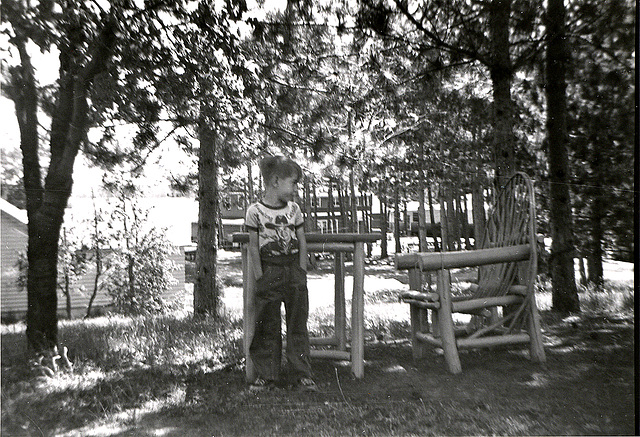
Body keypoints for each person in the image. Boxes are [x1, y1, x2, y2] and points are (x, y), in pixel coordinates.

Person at [244, 156, 317, 392]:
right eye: (293, 183)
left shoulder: (294, 210)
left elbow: (302, 241)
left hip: (293, 271)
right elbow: (254, 247)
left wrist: (302, 270)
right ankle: (267, 376)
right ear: (275, 181)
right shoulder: (254, 211)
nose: (295, 189)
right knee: (267, 325)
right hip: (269, 271)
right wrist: (260, 276)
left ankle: (302, 376)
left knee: (298, 324)